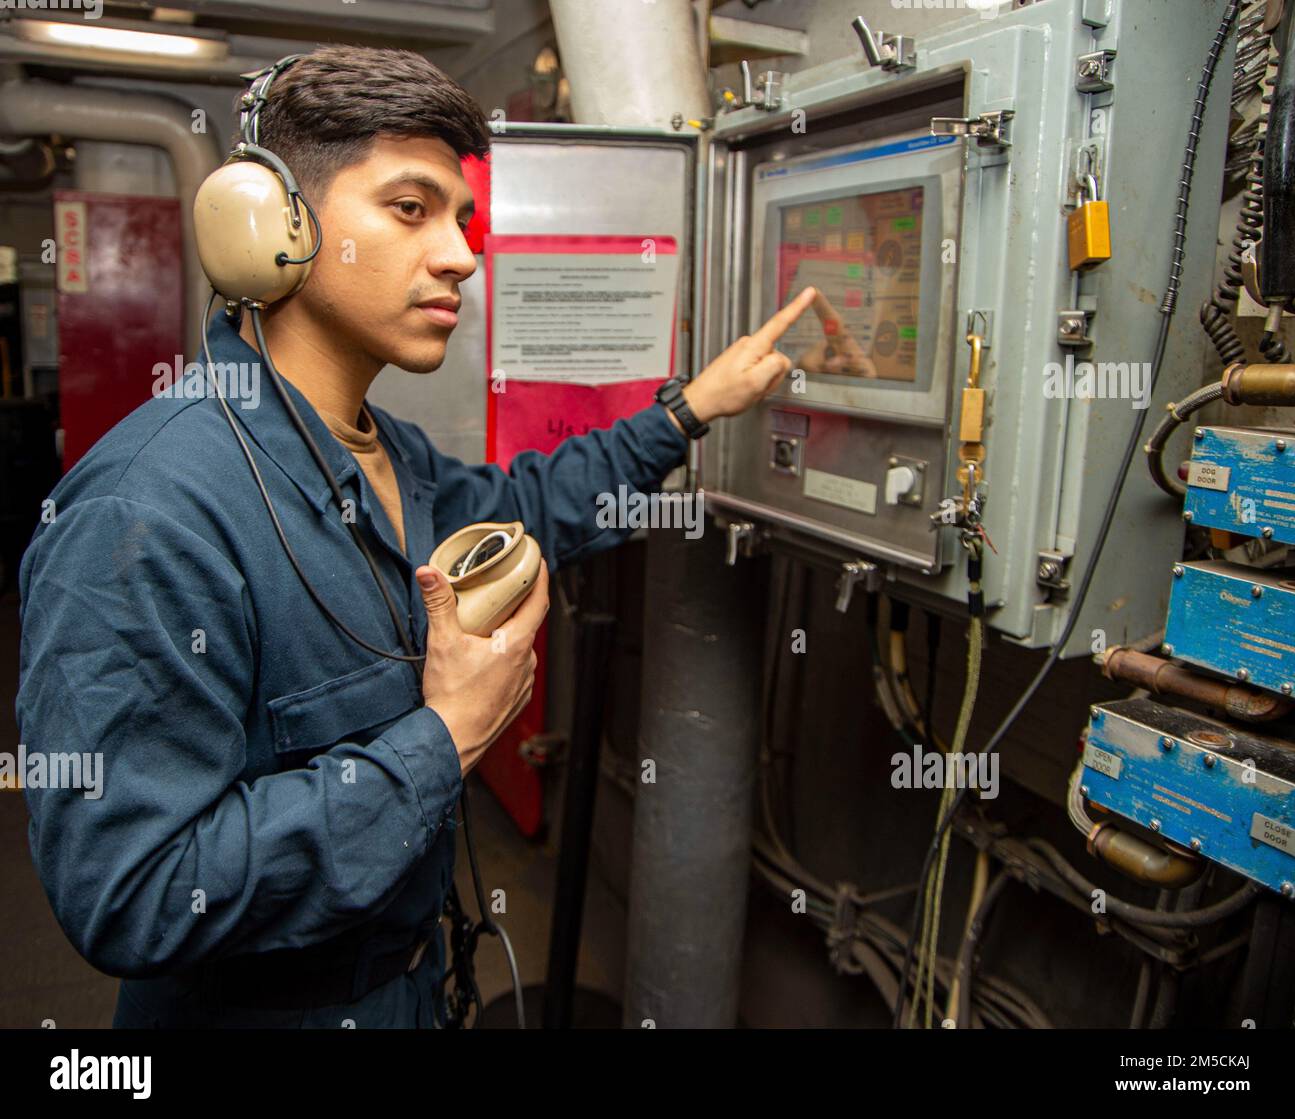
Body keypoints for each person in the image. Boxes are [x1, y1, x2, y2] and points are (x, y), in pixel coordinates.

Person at [16, 44, 817, 1028]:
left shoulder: (391, 456)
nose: (461, 255)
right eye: (410, 209)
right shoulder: (145, 512)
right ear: (271, 227)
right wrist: (443, 741)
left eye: (462, 219)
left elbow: (536, 500)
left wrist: (691, 409)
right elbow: (132, 894)